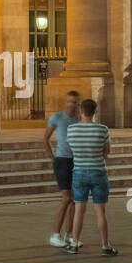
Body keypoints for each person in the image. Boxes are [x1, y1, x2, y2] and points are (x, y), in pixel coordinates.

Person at [65, 99, 117, 255]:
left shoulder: (71, 130)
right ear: (95, 111)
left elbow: (71, 151)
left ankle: (74, 244)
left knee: (79, 210)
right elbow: (107, 152)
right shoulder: (103, 129)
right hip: (98, 172)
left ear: (81, 111)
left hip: (79, 172)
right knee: (100, 212)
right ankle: (105, 246)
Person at [45, 91, 81, 248]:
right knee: (66, 198)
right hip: (62, 161)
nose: (73, 104)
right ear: (66, 102)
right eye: (70, 101)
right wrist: (53, 159)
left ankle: (69, 235)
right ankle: (55, 235)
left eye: (76, 102)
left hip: (77, 161)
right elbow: (45, 138)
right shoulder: (58, 117)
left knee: (75, 200)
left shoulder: (81, 119)